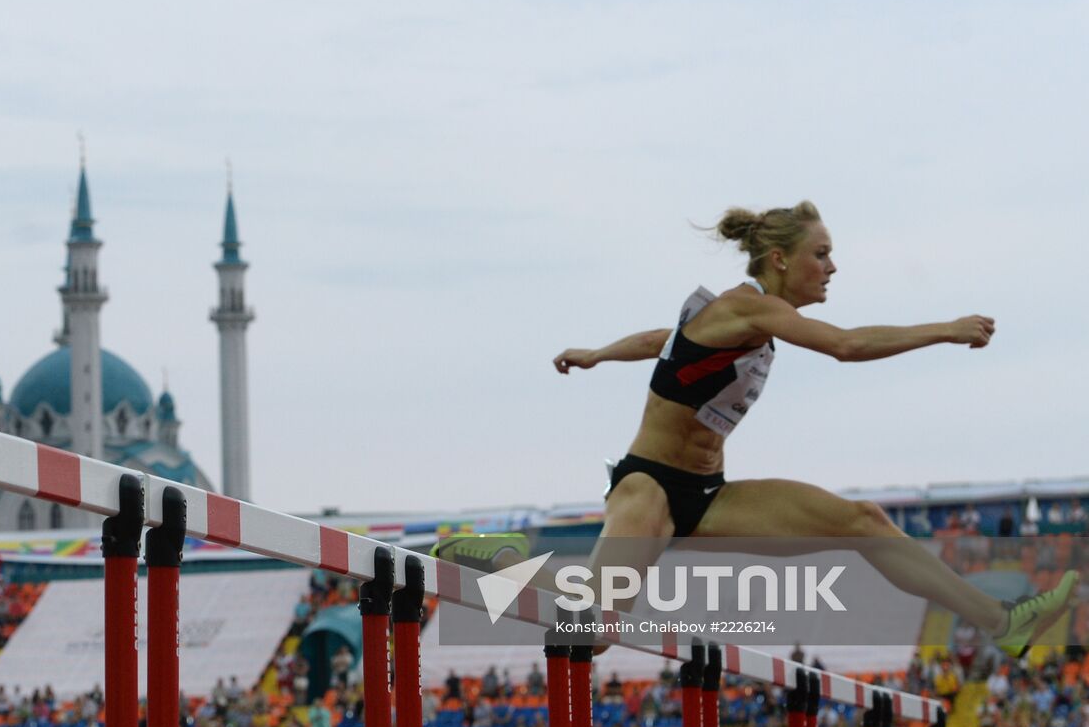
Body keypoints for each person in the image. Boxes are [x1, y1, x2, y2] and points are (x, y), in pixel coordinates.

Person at [435, 201, 1077, 657]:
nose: (831, 267)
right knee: (596, 630)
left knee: (865, 523)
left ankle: (1002, 623)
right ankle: (498, 559)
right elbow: (847, 346)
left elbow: (663, 339)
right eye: (821, 255)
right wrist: (943, 328)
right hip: (650, 488)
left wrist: (601, 351)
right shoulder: (745, 305)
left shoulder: (746, 323)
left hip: (712, 496)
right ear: (779, 258)